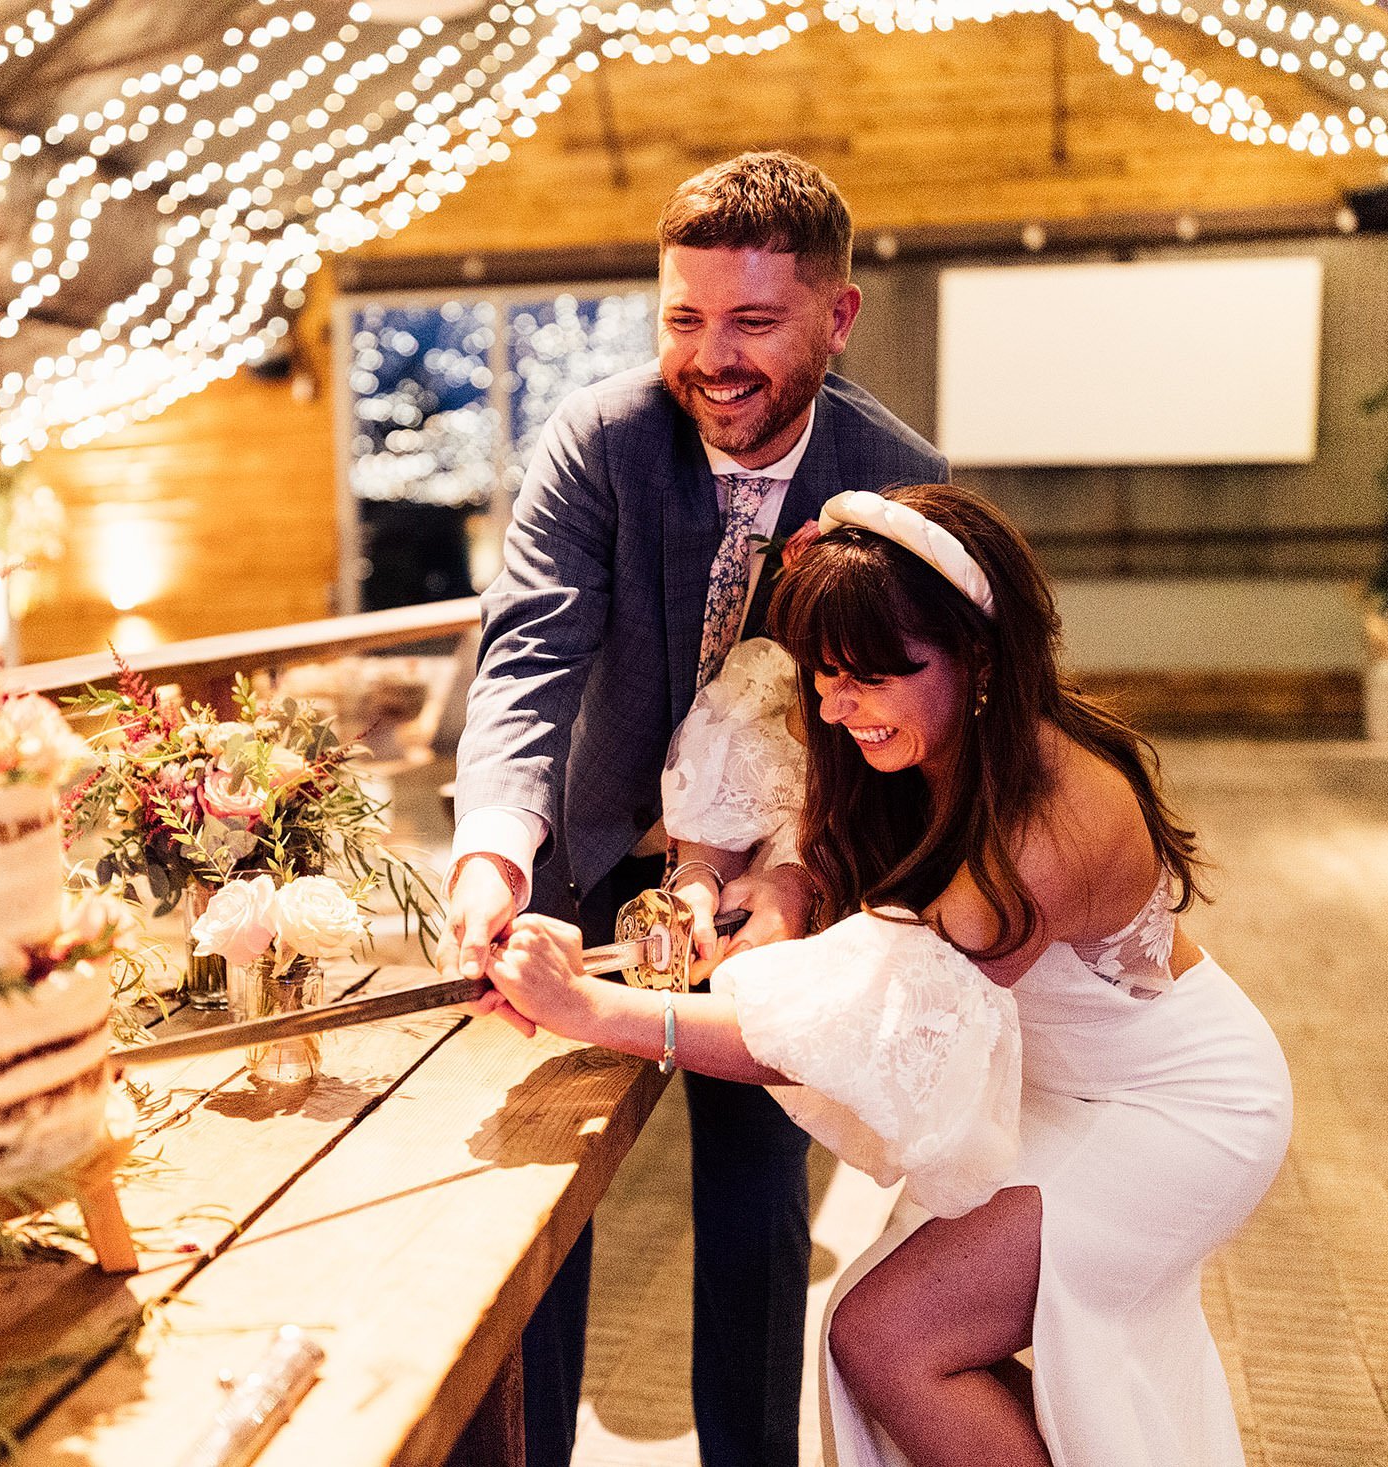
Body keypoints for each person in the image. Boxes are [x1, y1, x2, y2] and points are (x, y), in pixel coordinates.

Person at [481, 482, 1295, 1467]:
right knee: (888, 1335)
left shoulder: (1042, 837)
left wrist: (588, 1008)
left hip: (1180, 1115)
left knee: (888, 1336)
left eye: (872, 676)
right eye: (825, 673)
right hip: (1064, 1088)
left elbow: (852, 1035)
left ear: (980, 658)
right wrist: (784, 883)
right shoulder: (947, 733)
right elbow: (821, 822)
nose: (836, 705)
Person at [447, 150, 946, 1467]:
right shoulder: (601, 439)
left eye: (752, 322)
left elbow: (889, 731)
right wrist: (495, 846)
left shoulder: (896, 481)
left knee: (752, 1195)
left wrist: (795, 876)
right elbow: (532, 651)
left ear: (837, 318)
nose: (710, 357)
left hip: (788, 870)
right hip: (589, 846)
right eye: (684, 317)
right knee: (540, 1186)